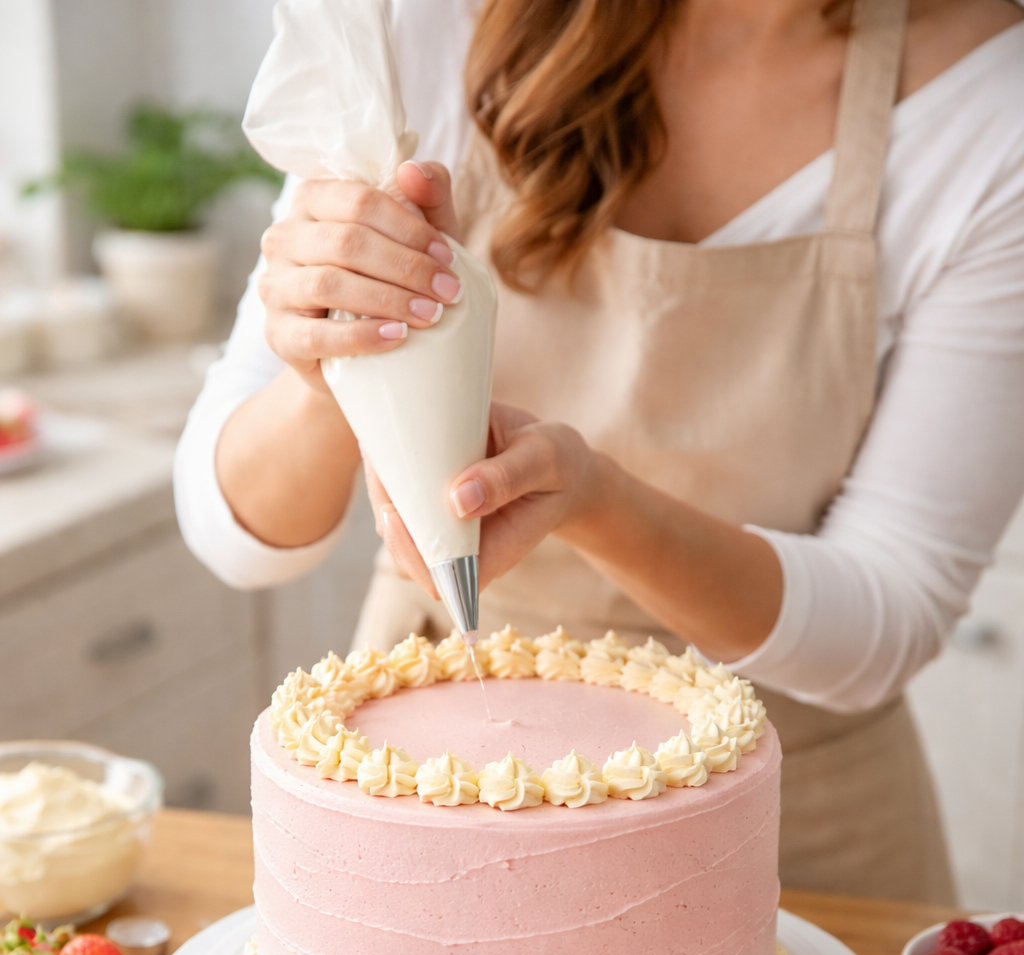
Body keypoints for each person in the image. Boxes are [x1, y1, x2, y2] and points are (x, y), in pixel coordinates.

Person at [175, 0, 1024, 901]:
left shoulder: (986, 112)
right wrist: (324, 375)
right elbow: (235, 532)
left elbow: (888, 616)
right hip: (438, 788)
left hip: (797, 837)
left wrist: (594, 502)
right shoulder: (422, 27)